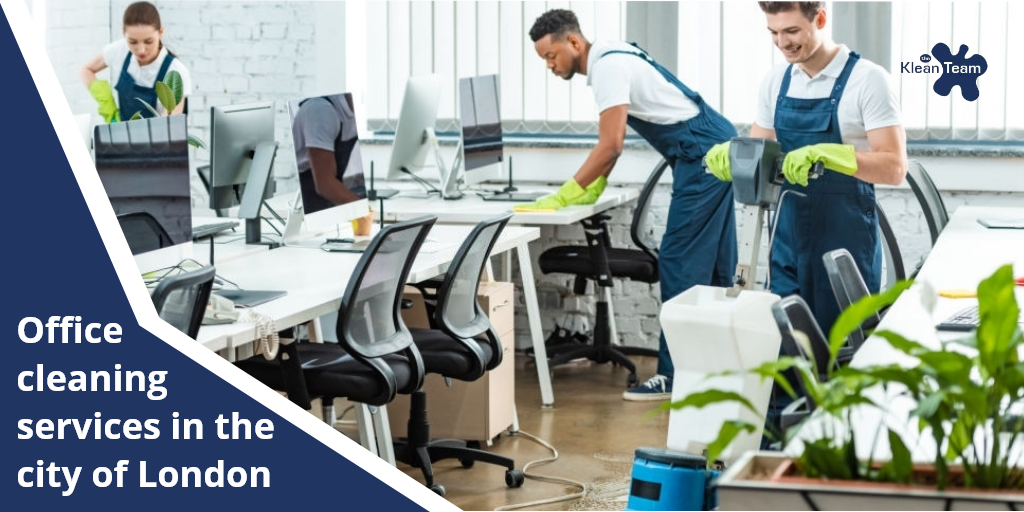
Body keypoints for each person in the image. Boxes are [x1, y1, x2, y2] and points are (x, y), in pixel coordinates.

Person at [705, 1, 907, 441]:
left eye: (792, 31)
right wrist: (735, 155)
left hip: (844, 235)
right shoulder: (776, 81)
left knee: (838, 344)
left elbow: (894, 168)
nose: (783, 43)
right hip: (788, 227)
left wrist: (835, 156)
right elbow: (760, 152)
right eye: (773, 33)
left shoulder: (867, 79)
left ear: (820, 18)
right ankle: (780, 452)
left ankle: (840, 451)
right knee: (784, 340)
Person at [525, 9, 739, 401]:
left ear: (573, 43)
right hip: (714, 144)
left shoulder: (606, 69)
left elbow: (611, 144)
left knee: (680, 261)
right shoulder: (614, 54)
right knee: (715, 265)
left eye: (550, 55)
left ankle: (675, 378)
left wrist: (568, 192)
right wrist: (593, 184)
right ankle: (720, 368)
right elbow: (614, 144)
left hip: (703, 154)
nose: (550, 65)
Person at [79, 1, 192, 123]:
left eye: (148, 41)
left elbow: (170, 128)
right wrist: (107, 105)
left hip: (159, 140)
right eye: (133, 42)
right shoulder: (120, 50)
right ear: (124, 33)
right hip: (123, 136)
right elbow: (86, 70)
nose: (141, 50)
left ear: (160, 32)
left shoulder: (175, 73)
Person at [291, 93, 371, 224]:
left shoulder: (354, 112)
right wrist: (363, 212)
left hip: (327, 198)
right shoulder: (321, 111)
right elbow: (325, 184)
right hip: (309, 200)